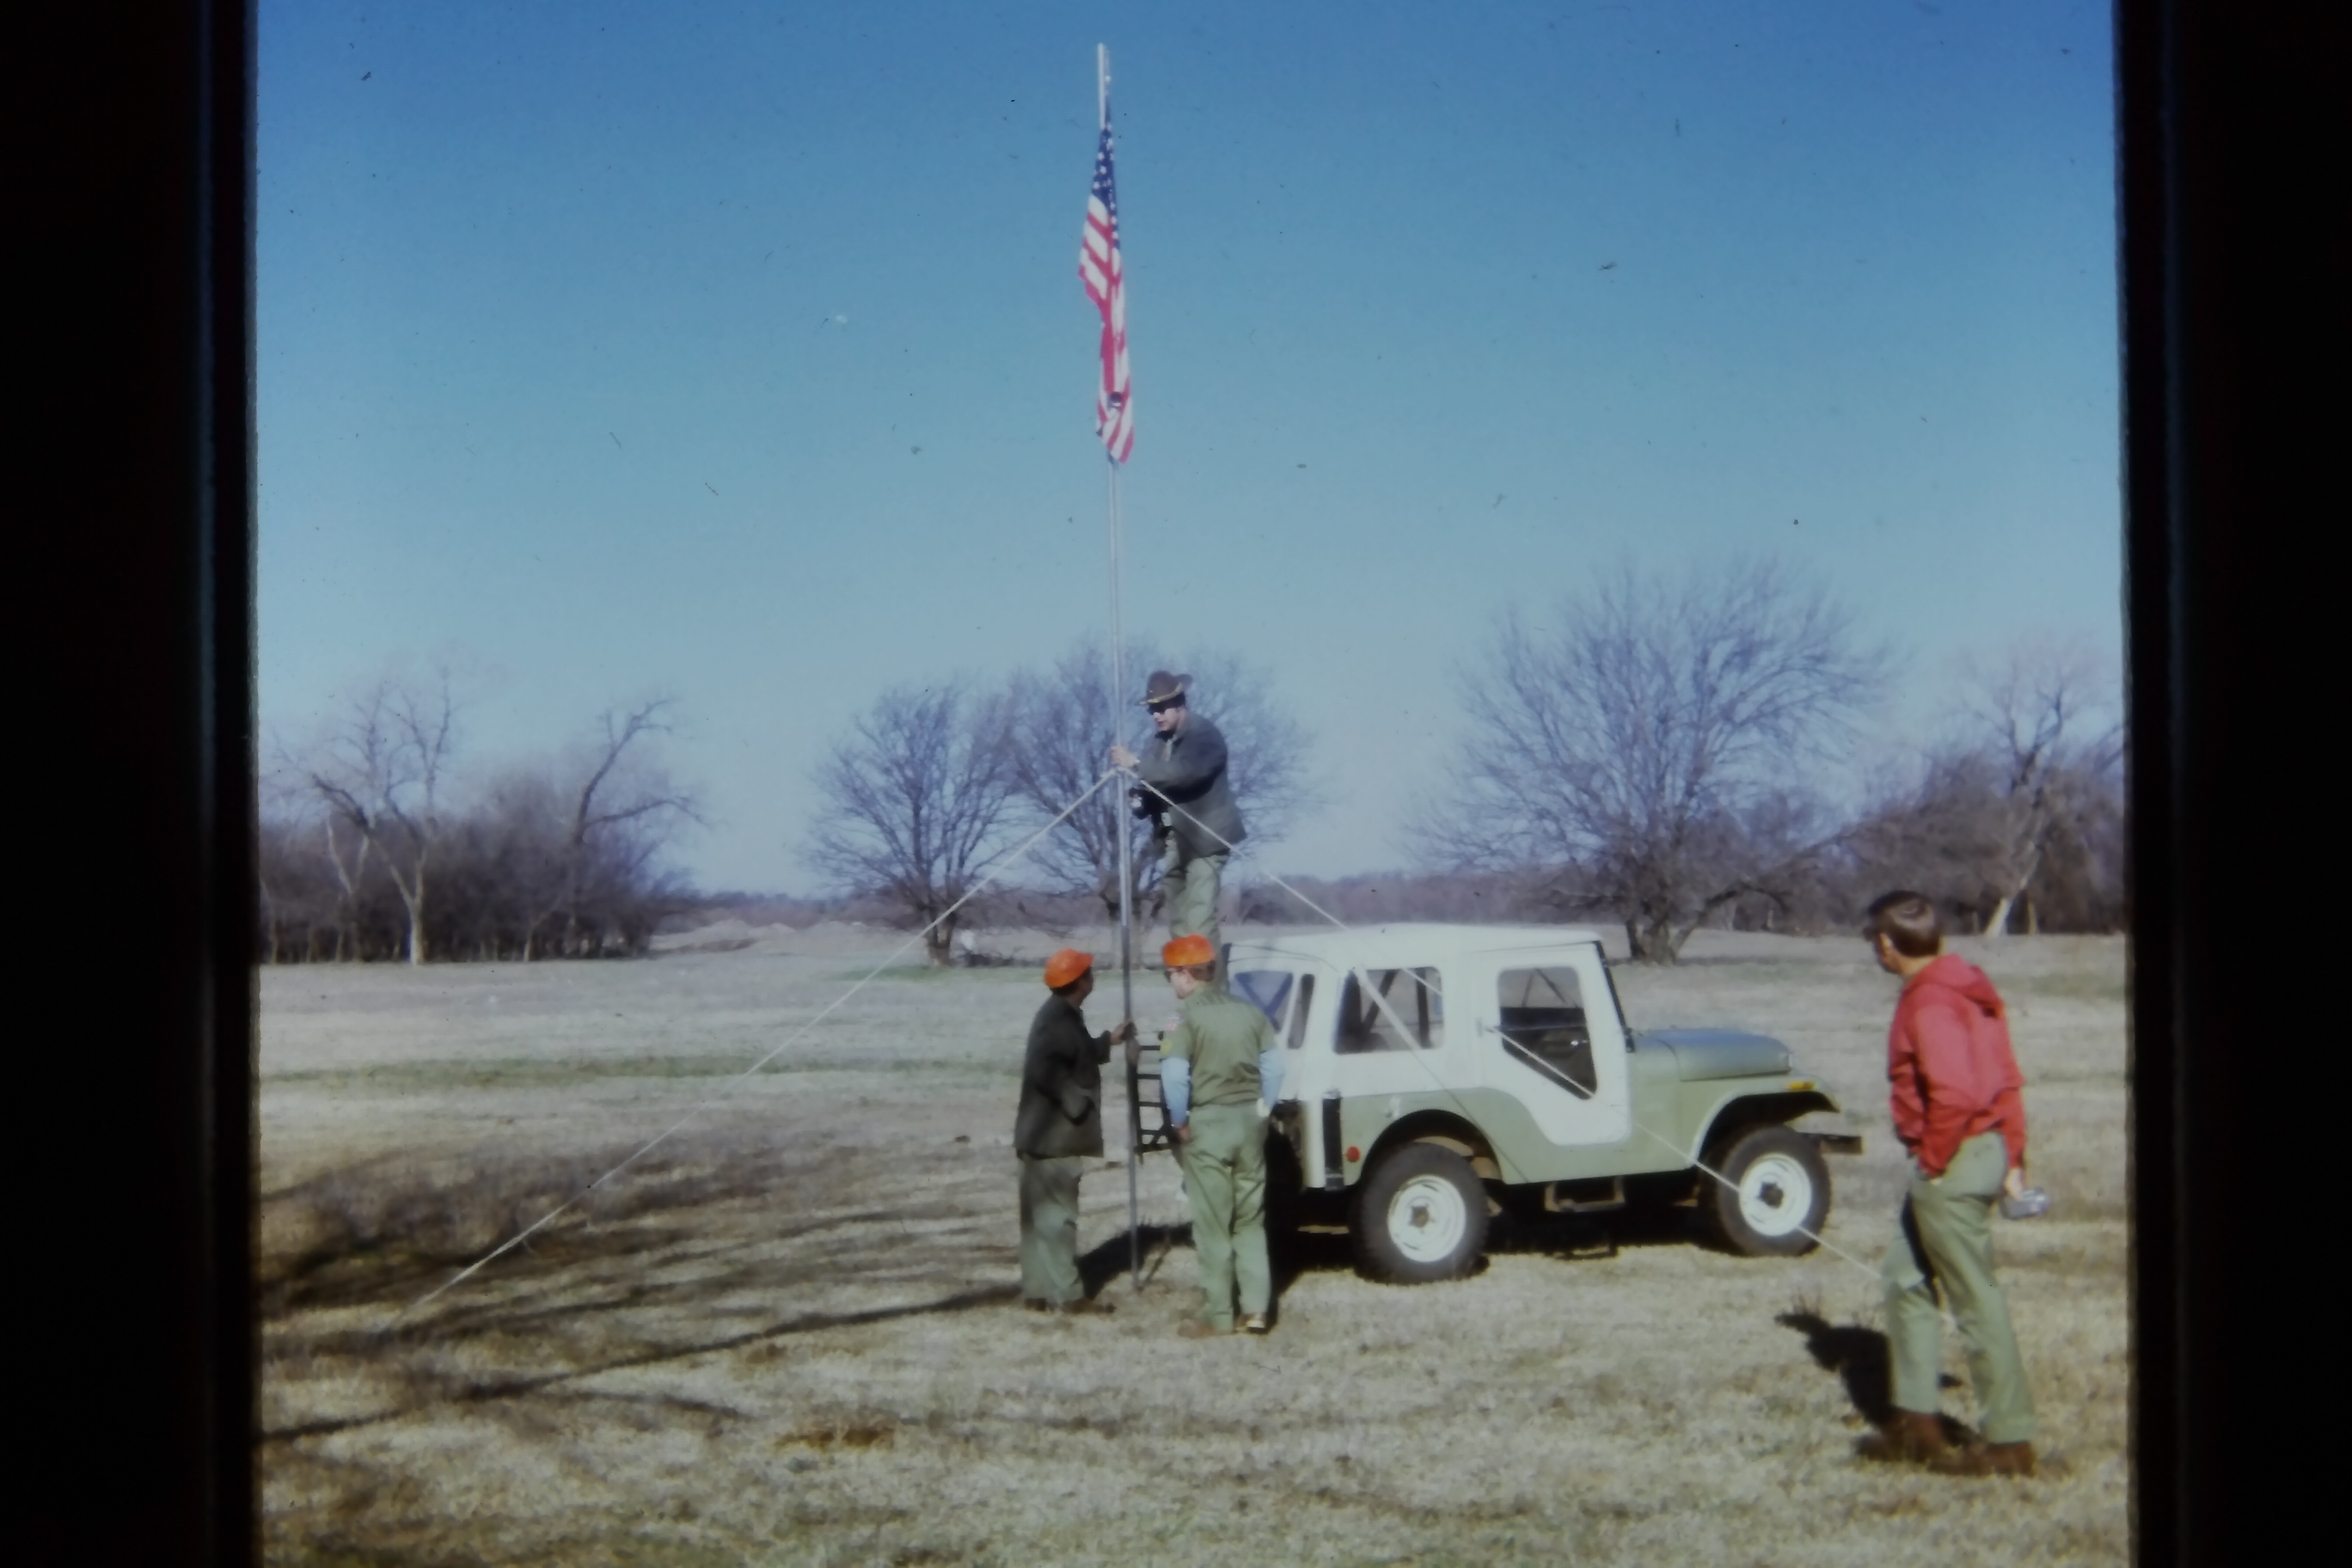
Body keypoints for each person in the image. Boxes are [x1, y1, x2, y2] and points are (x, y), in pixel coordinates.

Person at [1857, 891, 2039, 1477]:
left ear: (1888, 945)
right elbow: (2006, 1081)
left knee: (1973, 1298)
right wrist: (2013, 1155)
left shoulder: (1931, 1001)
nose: (1875, 952)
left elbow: (1958, 1093)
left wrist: (1933, 1162)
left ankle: (2009, 1441)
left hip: (1953, 1161)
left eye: (1874, 943)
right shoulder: (1968, 986)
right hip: (1980, 1152)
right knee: (1904, 1278)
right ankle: (1917, 1424)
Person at [1155, 932, 1284, 1337]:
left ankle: (1219, 1314)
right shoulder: (1251, 1012)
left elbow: (1175, 1077)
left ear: (1183, 975)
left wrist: (1179, 1121)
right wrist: (1264, 1109)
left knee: (1213, 1222)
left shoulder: (1182, 1020)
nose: (1172, 983)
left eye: (1170, 975)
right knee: (1250, 1218)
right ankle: (1257, 1310)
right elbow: (1275, 1068)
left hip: (1207, 1123)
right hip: (1251, 1122)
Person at [1013, 947, 1135, 1315]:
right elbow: (1044, 1069)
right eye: (1089, 972)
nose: (1093, 976)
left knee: (1036, 1219)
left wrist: (1107, 1042)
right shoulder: (1058, 1021)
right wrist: (1076, 1103)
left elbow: (1074, 1052)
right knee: (1058, 1218)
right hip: (1054, 1138)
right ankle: (1068, 1296)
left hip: (1038, 1135)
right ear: (1079, 981)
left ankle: (1036, 1291)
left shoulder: (1061, 1015)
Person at [1110, 671, 1245, 978]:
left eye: (1162, 708)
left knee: (1199, 923)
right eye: (1152, 710)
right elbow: (1157, 785)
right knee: (1180, 926)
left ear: (1180, 704)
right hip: (1174, 843)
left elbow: (1186, 773)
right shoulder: (1159, 743)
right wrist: (1139, 799)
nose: (1156, 715)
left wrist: (1136, 765)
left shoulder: (1204, 735)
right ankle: (1191, 997)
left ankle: (1212, 1001)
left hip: (1206, 841)